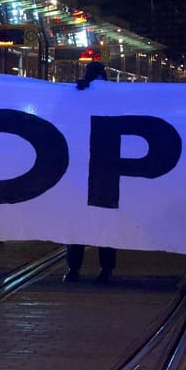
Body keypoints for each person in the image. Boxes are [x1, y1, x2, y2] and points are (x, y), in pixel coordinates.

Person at [66, 61, 117, 282]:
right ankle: (106, 269)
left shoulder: (75, 97)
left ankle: (73, 269)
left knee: (77, 225)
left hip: (80, 174)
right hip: (106, 175)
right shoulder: (113, 99)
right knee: (105, 225)